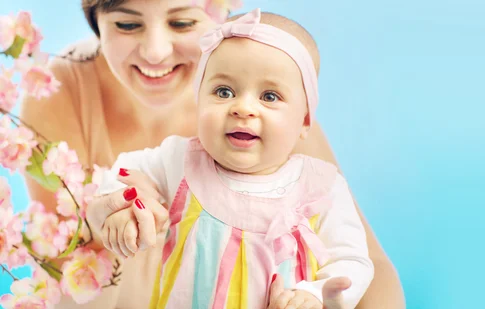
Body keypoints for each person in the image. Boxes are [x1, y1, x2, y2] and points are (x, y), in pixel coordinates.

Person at [20, 0, 405, 308]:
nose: (155, 52)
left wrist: (320, 295)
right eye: (127, 24)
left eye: (183, 23)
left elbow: (363, 263)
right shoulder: (173, 155)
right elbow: (66, 266)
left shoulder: (285, 128)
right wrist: (102, 211)